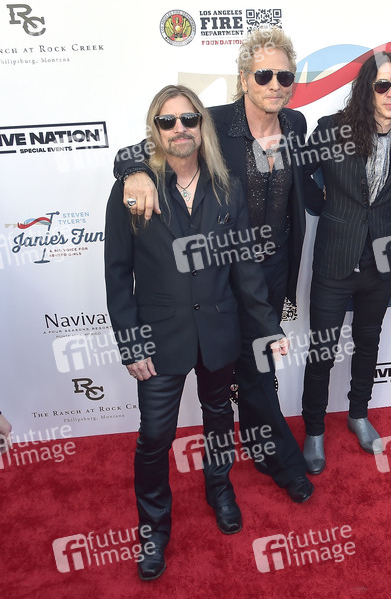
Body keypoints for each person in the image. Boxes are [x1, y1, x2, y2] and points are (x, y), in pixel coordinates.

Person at [112, 28, 317, 504]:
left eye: (284, 76)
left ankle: (266, 456)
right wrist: (133, 172)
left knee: (257, 372)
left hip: (269, 273)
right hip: (220, 278)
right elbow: (153, 143)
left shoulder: (296, 123)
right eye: (263, 75)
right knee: (238, 383)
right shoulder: (215, 122)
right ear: (244, 79)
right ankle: (283, 462)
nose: (274, 84)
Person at [105, 85, 289, 580]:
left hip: (218, 328)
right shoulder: (134, 190)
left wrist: (268, 325)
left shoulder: (226, 187)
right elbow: (117, 274)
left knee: (218, 417)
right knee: (154, 437)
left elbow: (245, 266)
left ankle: (219, 489)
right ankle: (153, 529)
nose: (179, 129)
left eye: (189, 119)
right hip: (158, 338)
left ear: (201, 125)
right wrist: (131, 342)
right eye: (168, 122)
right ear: (155, 130)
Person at [299, 51, 391, 473]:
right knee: (322, 350)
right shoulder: (332, 129)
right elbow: (300, 173)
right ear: (367, 89)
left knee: (368, 342)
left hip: (381, 262)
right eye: (383, 85)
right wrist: (324, 207)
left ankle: (358, 413)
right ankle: (314, 430)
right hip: (335, 258)